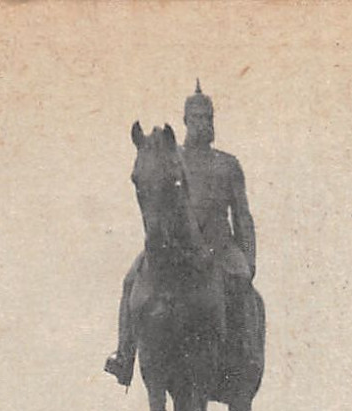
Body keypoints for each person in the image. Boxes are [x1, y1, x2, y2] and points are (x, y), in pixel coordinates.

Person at [109, 82, 259, 385]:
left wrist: (248, 256)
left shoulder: (228, 165)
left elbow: (242, 215)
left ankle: (243, 351)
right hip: (177, 246)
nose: (203, 123)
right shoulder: (172, 155)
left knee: (241, 280)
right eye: (197, 118)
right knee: (130, 282)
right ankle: (124, 356)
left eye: (208, 117)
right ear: (186, 120)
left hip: (220, 245)